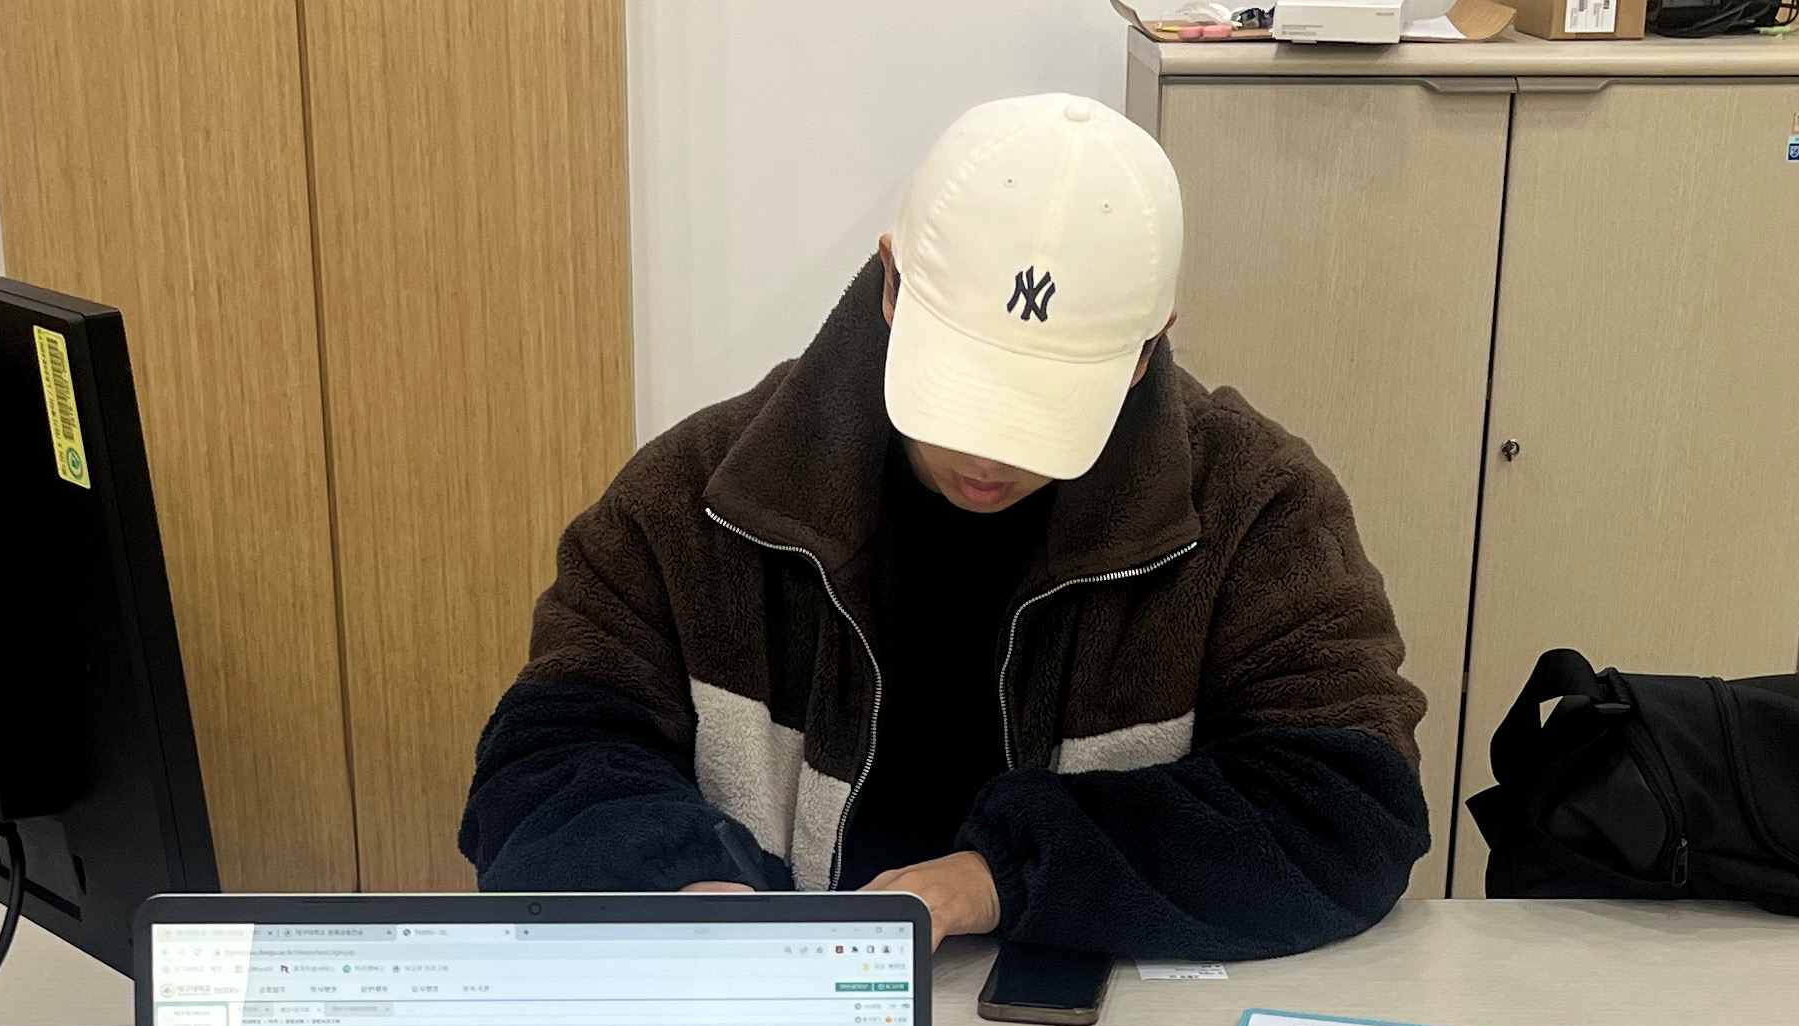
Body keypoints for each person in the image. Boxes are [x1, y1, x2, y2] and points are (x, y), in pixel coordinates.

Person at [458, 94, 1429, 958]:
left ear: (1145, 350)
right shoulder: (699, 497)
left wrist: (999, 876)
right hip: (780, 1014)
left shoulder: (1254, 509)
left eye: (1043, 410)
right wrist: (677, 879)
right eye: (961, 389)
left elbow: (1348, 812)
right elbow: (546, 760)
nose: (989, 458)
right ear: (892, 284)